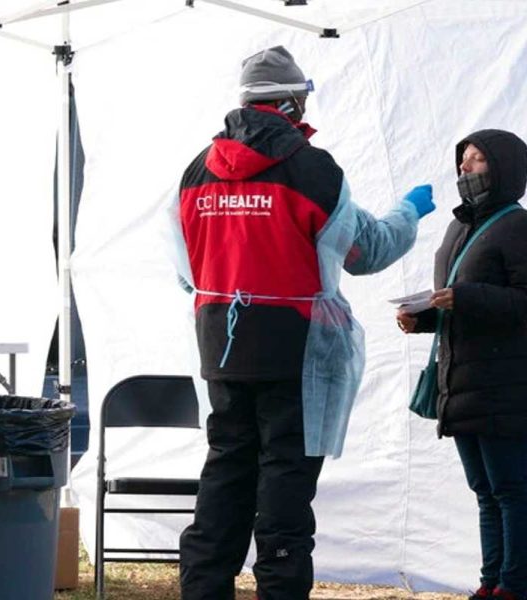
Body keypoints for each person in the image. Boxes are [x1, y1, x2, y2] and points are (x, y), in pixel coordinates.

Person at [166, 46, 435, 600]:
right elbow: (367, 251)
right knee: (285, 480)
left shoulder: (196, 170)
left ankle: (204, 590)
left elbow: (185, 269)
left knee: (225, 471)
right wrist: (407, 211)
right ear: (292, 101)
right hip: (296, 350)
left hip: (220, 343)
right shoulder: (313, 170)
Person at [397, 130, 527, 600]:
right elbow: (460, 305)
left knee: (511, 490)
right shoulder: (460, 228)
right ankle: (491, 582)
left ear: (504, 168)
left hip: (505, 383)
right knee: (485, 491)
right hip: (462, 380)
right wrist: (424, 318)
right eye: (463, 160)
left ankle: (515, 585)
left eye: (476, 161)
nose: (465, 169)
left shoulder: (518, 227)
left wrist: (467, 298)